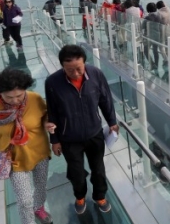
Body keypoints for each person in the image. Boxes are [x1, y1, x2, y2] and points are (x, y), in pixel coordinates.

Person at [44, 45, 119, 214]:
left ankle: (100, 196)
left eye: (79, 68)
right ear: (62, 66)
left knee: (98, 168)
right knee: (76, 172)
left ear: (85, 63)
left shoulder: (96, 75)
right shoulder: (52, 82)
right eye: (70, 70)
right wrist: (54, 140)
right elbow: (52, 112)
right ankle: (80, 196)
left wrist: (112, 122)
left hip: (94, 134)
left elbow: (105, 100)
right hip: (69, 138)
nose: (76, 73)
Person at [0, 68, 52, 224]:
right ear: (0, 93)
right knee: (24, 200)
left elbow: (45, 114)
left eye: (19, 95)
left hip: (40, 153)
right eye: (9, 97)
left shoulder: (35, 99)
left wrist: (46, 123)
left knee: (41, 187)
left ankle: (39, 208)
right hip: (15, 160)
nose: (15, 101)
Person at [142, 2, 162, 70]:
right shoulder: (159, 16)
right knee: (155, 51)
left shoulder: (147, 17)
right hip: (157, 35)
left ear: (148, 9)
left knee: (145, 50)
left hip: (149, 36)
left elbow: (142, 26)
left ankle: (152, 64)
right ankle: (156, 65)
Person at [156, 0, 170, 65]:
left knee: (161, 46)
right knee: (168, 45)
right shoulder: (169, 10)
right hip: (169, 28)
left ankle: (166, 59)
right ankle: (169, 58)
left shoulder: (159, 13)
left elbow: (157, 22)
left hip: (161, 30)